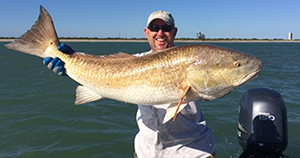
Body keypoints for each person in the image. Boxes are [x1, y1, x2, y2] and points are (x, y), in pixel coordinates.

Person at [44, 10, 215, 158]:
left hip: (194, 151)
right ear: (147, 32)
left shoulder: (193, 60)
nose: (160, 33)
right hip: (148, 152)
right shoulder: (134, 61)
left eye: (166, 28)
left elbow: (212, 88)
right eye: (155, 28)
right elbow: (101, 66)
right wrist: (70, 60)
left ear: (174, 32)